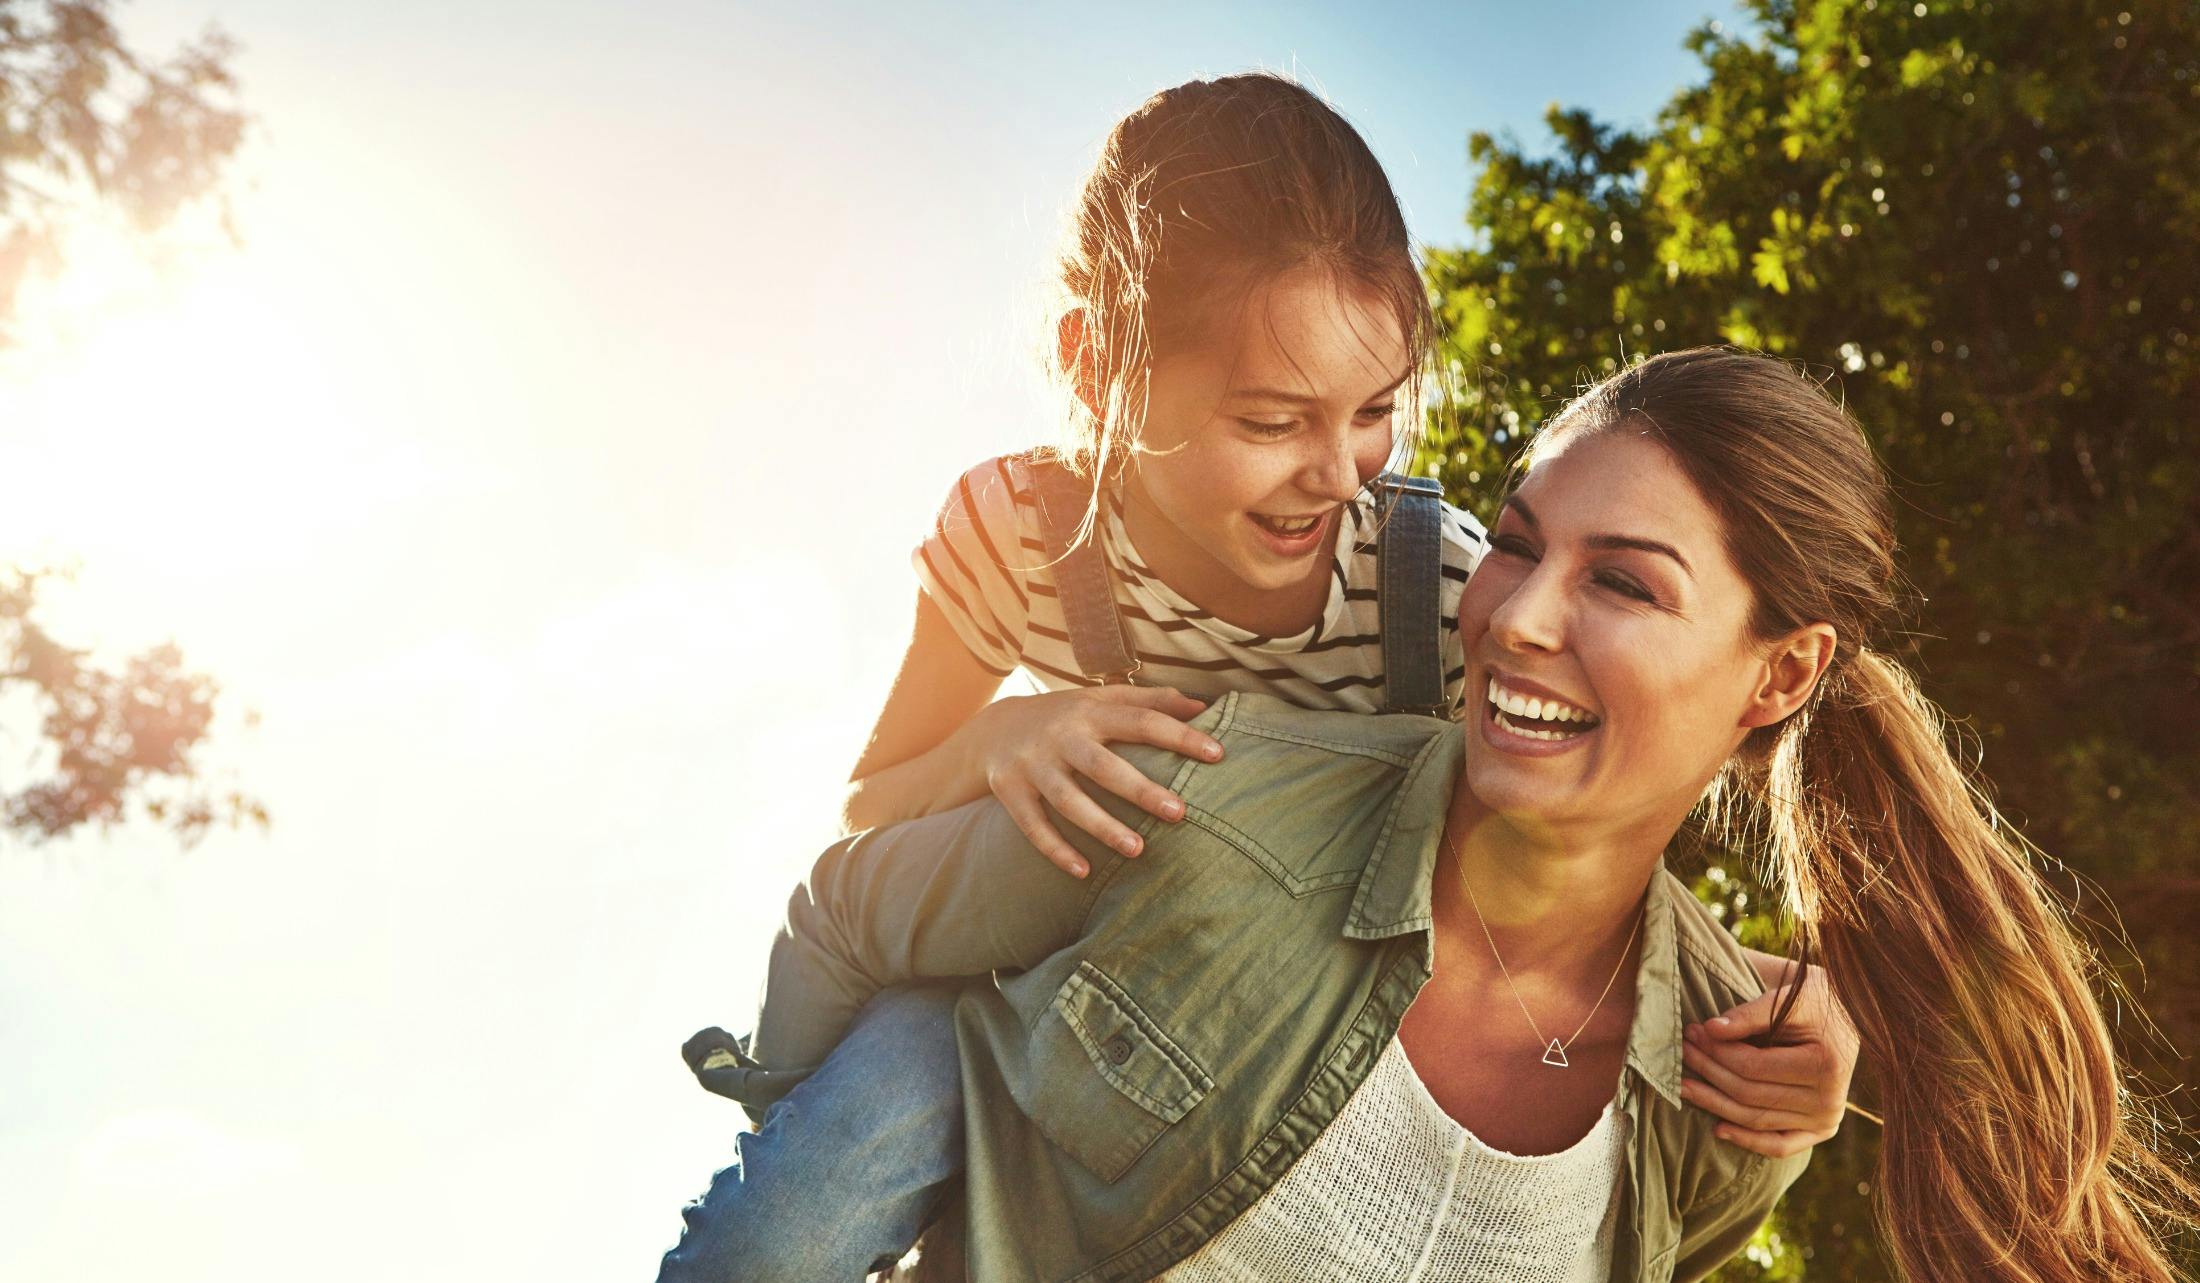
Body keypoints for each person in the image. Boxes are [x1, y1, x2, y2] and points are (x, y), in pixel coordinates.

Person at [658, 76, 1855, 1280]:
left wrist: (1760, 997)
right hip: (1015, 971)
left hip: (1252, 1020)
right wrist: (1005, 736)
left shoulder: (1443, 594)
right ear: (1097, 364)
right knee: (797, 1208)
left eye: (1375, 413)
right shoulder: (1022, 533)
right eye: (1273, 420)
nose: (1337, 476)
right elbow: (873, 802)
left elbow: (1546, 866)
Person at [718, 347, 2199, 1283]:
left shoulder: (1736, 1080)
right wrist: (805, 1143)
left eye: (1622, 581)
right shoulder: (1207, 794)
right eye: (1518, 544)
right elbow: (849, 906)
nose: (1521, 617)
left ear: (1782, 673)